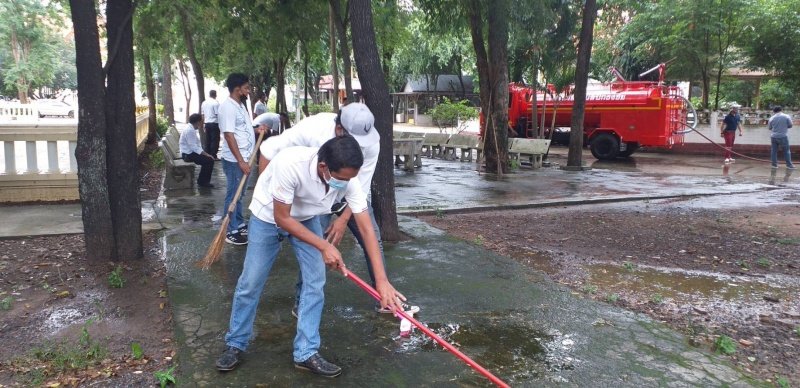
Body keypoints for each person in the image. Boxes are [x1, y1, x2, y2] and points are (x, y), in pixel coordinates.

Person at [215, 136, 406, 377]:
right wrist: (324, 246)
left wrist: (382, 281)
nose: (346, 184)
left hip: (307, 218)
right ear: (324, 167)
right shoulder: (290, 164)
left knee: (315, 281)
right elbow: (282, 218)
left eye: (350, 179)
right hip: (268, 217)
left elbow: (367, 229)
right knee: (251, 281)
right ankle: (235, 343)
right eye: (343, 179)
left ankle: (306, 352)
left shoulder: (348, 179)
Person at [259, 103, 419, 315]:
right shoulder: (312, 128)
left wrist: (343, 220)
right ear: (339, 129)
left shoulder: (371, 142)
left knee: (372, 236)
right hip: (314, 197)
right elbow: (269, 150)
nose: (360, 147)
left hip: (350, 192)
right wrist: (270, 197)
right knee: (317, 246)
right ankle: (302, 301)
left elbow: (360, 188)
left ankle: (386, 295)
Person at [219, 73, 267, 245]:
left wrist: (257, 129)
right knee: (233, 194)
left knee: (239, 194)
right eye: (246, 88)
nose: (249, 91)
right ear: (237, 89)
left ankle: (238, 223)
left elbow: (243, 129)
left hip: (246, 157)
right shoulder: (227, 107)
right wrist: (240, 161)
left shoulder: (240, 105)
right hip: (234, 160)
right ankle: (229, 230)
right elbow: (229, 136)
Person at [179, 113, 216, 188]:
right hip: (187, 155)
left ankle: (202, 181)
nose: (202, 123)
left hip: (188, 152)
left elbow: (195, 146)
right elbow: (193, 147)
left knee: (208, 160)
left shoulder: (190, 128)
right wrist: (206, 154)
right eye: (202, 121)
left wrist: (204, 153)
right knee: (209, 160)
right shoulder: (189, 130)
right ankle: (203, 182)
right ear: (198, 122)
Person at [201, 90, 221, 159]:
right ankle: (213, 155)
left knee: (208, 139)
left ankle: (207, 154)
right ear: (215, 95)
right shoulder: (216, 103)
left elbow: (203, 114)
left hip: (207, 123)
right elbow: (218, 114)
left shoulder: (204, 103)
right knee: (214, 140)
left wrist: (203, 124)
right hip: (214, 123)